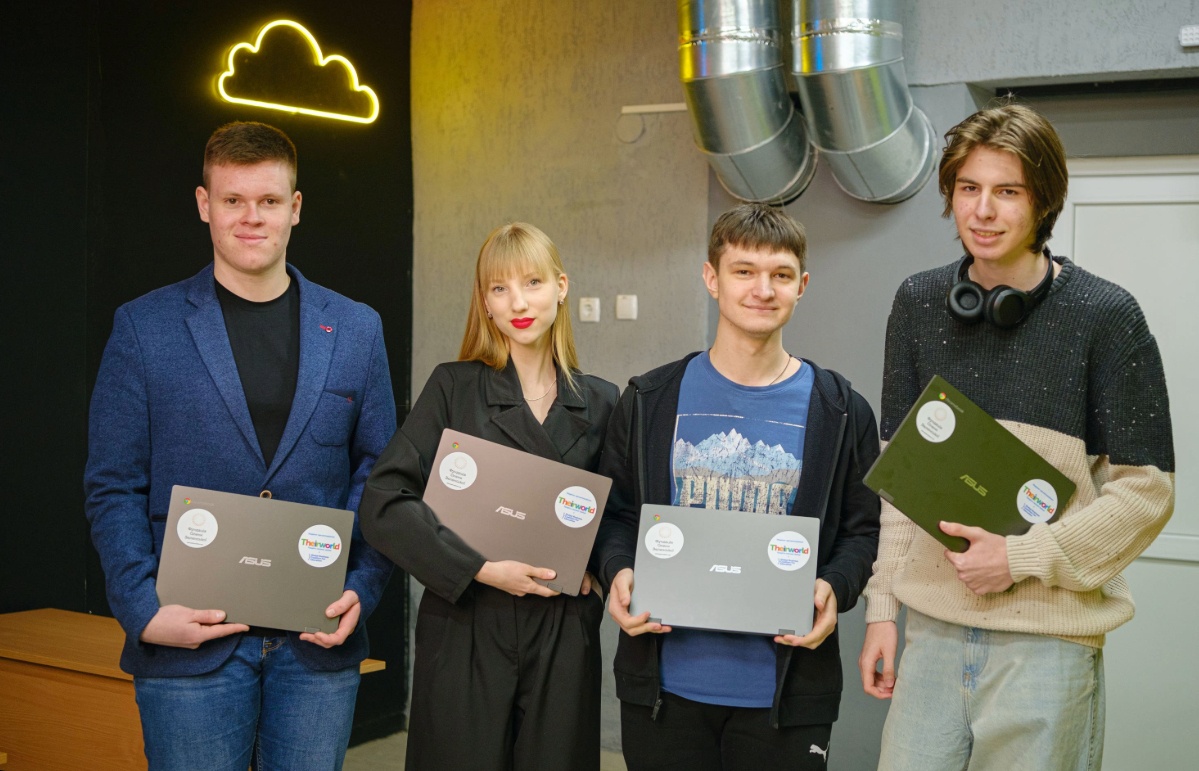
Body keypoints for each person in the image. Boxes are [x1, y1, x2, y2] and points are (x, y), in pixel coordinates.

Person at [859, 103, 1175, 770]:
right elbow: (898, 479)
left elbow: (1146, 493)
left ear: (1043, 201)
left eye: (1007, 191)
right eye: (968, 188)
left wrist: (1023, 554)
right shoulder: (916, 304)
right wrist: (881, 608)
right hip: (932, 634)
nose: (982, 210)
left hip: (1047, 643)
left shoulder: (1105, 316)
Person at [84, 121, 396, 770]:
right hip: (188, 640)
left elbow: (381, 475)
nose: (251, 218)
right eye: (233, 200)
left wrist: (363, 587)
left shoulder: (358, 329)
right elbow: (113, 484)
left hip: (316, 641)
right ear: (204, 205)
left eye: (270, 201)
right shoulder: (144, 327)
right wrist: (142, 609)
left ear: (296, 208)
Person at [591, 203, 881, 770]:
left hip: (787, 694)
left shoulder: (841, 410)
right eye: (743, 271)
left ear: (802, 285)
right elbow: (615, 515)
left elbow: (864, 528)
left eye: (779, 274)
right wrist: (617, 572)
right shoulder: (650, 400)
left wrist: (835, 588)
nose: (762, 289)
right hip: (663, 689)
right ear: (712, 279)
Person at [359, 222, 618, 770]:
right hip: (466, 623)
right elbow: (383, 500)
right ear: (485, 302)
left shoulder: (600, 401)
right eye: (499, 288)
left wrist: (599, 569)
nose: (518, 302)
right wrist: (478, 567)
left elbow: (619, 516)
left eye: (532, 282)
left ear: (562, 287)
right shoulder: (453, 387)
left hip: (562, 630)